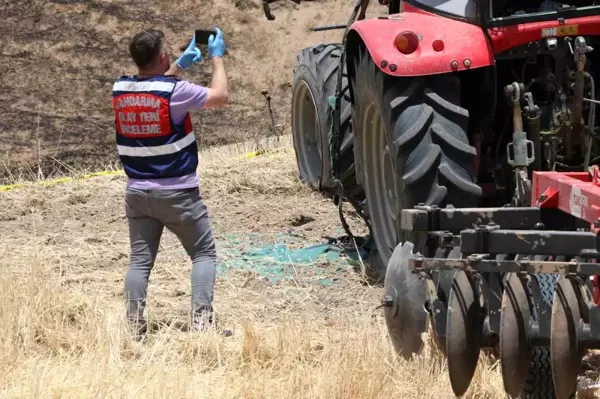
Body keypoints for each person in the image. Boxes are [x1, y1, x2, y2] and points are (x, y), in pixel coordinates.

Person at [111, 27, 228, 340]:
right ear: (162, 56)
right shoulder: (176, 92)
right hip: (179, 194)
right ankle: (202, 324)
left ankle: (134, 327)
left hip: (137, 192)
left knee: (139, 262)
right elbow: (220, 97)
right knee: (203, 254)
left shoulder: (120, 88)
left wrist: (180, 65)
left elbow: (152, 89)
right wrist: (216, 59)